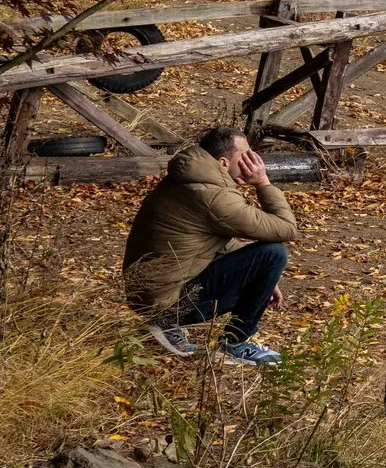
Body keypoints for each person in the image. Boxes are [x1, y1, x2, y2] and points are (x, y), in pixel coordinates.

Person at [122, 126, 296, 365]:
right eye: (245, 155)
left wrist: (262, 279)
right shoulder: (213, 196)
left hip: (149, 293)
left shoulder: (190, 180)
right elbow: (286, 228)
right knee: (273, 253)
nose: (252, 160)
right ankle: (232, 343)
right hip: (165, 301)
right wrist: (263, 182)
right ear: (224, 163)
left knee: (265, 262)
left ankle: (164, 323)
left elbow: (213, 241)